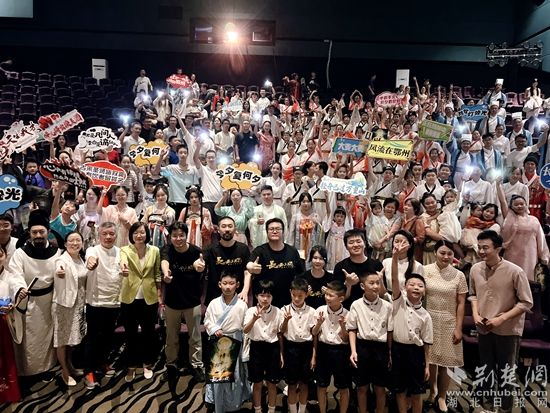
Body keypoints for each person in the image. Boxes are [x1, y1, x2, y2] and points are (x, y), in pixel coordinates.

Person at [469, 230, 533, 413]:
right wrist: (475, 315)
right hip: (483, 328)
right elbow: (473, 295)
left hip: (508, 330)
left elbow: (526, 302)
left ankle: (505, 409)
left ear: (498, 249)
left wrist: (501, 318)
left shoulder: (515, 271)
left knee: (506, 373)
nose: (481, 251)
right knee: (486, 370)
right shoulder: (475, 269)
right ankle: (488, 407)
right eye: (479, 247)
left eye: (485, 248)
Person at [9, 211, 61, 379]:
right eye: (34, 232)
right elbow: (15, 275)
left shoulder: (56, 252)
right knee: (30, 340)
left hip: (49, 301)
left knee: (47, 337)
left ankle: (47, 367)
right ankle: (29, 372)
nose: (38, 235)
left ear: (48, 232)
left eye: (41, 232)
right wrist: (20, 288)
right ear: (29, 233)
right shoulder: (21, 253)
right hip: (29, 301)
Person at [423, 240, 468, 413]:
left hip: (450, 321)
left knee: (447, 363)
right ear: (435, 252)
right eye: (442, 253)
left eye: (450, 254)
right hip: (429, 320)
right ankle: (432, 391)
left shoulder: (459, 275)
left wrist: (458, 327)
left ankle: (442, 396)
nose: (446, 256)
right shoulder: (424, 270)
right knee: (431, 360)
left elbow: (461, 303)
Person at [390, 243, 433, 413]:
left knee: (416, 392)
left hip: (416, 353)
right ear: (404, 288)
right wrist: (395, 257)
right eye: (412, 284)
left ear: (424, 291)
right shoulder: (398, 301)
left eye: (420, 286)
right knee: (400, 390)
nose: (416, 287)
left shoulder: (425, 315)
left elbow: (427, 343)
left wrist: (427, 366)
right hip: (398, 351)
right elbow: (394, 278)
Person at [161, 222, 205, 383]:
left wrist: (199, 267)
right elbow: (165, 261)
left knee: (195, 337)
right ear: (170, 237)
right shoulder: (167, 249)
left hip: (192, 302)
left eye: (181, 235)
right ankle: (171, 365)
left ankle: (196, 365)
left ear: (186, 235)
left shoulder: (196, 252)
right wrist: (166, 273)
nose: (178, 239)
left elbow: (200, 266)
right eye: (174, 236)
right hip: (172, 302)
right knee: (171, 338)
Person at [82, 222, 123, 389]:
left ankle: (102, 363)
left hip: (114, 301)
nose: (108, 237)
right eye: (104, 234)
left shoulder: (120, 252)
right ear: (99, 235)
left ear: (116, 235)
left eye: (111, 234)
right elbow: (90, 259)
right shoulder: (93, 250)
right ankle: (89, 371)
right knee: (92, 338)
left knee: (108, 336)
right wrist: (91, 262)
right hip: (95, 302)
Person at [120, 222, 161, 382]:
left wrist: (159, 294)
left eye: (142, 232)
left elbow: (157, 273)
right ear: (131, 235)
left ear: (147, 234)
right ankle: (131, 365)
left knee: (148, 333)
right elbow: (123, 262)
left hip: (149, 297)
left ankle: (147, 363)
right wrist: (123, 268)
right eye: (136, 232)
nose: (139, 235)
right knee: (130, 333)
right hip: (129, 297)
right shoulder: (125, 250)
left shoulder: (155, 250)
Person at [204, 271, 250, 412]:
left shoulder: (242, 305)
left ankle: (233, 405)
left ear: (237, 285)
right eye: (225, 283)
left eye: (231, 283)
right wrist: (215, 328)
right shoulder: (213, 303)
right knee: (219, 377)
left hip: (235, 340)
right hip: (218, 342)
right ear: (219, 284)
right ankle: (217, 404)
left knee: (235, 375)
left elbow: (246, 327)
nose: (228, 287)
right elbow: (207, 321)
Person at [347, 270, 392, 413]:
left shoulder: (387, 306)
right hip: (362, 347)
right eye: (371, 283)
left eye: (378, 283)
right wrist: (353, 351)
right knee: (362, 387)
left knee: (380, 388)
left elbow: (389, 332)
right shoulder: (356, 305)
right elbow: (352, 329)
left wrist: (390, 353)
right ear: (362, 286)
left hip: (381, 348)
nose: (375, 286)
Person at [53, 232, 87, 387]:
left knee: (71, 340)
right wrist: (59, 273)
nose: (75, 243)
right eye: (71, 240)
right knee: (62, 340)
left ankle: (70, 365)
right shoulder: (62, 260)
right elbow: (59, 270)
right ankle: (64, 371)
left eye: (78, 240)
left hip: (79, 304)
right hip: (64, 305)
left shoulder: (81, 258)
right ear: (65, 244)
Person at [496, 181, 549, 281]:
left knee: (528, 280)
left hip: (530, 254)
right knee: (511, 279)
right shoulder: (509, 217)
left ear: (526, 205)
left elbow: (541, 239)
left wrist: (544, 256)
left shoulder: (534, 220)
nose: (519, 206)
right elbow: (503, 201)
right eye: (516, 204)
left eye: (522, 204)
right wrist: (498, 185)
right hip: (512, 253)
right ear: (511, 207)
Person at [243, 280, 283, 413]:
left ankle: (271, 409)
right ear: (256, 296)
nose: (265, 299)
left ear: (272, 297)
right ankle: (257, 409)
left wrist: (281, 354)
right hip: (256, 348)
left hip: (273, 348)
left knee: (272, 383)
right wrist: (254, 319)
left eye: (268, 296)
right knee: (257, 382)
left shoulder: (277, 311)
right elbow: (245, 330)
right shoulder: (251, 311)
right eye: (262, 295)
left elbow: (280, 332)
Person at [246, 218, 304, 308]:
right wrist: (251, 267)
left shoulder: (292, 251)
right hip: (265, 300)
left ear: (283, 231)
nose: (274, 231)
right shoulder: (260, 251)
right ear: (267, 232)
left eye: (278, 229)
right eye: (271, 229)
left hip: (287, 300)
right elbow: (249, 265)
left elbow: (301, 273)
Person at [312, 280, 350, 413]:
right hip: (323, 349)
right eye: (326, 294)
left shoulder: (347, 313)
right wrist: (318, 323)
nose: (327, 297)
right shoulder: (320, 310)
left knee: (344, 386)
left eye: (331, 295)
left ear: (341, 298)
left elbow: (346, 339)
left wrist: (343, 326)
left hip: (341, 351)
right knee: (321, 385)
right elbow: (314, 333)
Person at [280, 277, 317, 413]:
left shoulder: (312, 311)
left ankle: (301, 410)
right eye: (294, 295)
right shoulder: (284, 309)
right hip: (290, 348)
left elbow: (314, 335)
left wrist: (314, 356)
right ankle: (292, 410)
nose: (296, 298)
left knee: (304, 383)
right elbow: (281, 332)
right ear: (290, 292)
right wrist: (285, 320)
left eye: (300, 296)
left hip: (306, 348)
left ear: (306, 294)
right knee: (291, 384)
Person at [200, 216, 251, 305]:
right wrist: (198, 265)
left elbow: (247, 272)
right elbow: (201, 266)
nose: (227, 229)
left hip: (238, 297)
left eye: (230, 226)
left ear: (235, 229)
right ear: (218, 230)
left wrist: (245, 291)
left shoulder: (243, 249)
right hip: (214, 297)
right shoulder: (210, 249)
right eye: (223, 226)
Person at [333, 229, 383, 308]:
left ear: (365, 244)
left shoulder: (377, 265)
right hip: (348, 310)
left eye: (358, 241)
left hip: (373, 309)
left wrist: (380, 281)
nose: (355, 245)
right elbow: (338, 299)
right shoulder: (340, 267)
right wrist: (348, 284)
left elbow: (382, 295)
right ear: (346, 247)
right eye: (351, 242)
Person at [0, 245, 21, 403]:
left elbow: (16, 297)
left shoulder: (11, 277)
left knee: (6, 357)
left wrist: (12, 305)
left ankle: (9, 392)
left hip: (5, 323)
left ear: (5, 256)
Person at [154, 145, 200, 218]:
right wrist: (161, 157)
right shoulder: (171, 169)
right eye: (181, 153)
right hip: (174, 202)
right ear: (177, 154)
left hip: (188, 202)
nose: (183, 155)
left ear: (187, 154)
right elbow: (157, 171)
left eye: (185, 153)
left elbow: (195, 186)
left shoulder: (193, 169)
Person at [381, 230, 424, 294]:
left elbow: (419, 289)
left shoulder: (417, 266)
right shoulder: (386, 262)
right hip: (388, 297)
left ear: (410, 245)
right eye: (396, 241)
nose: (399, 245)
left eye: (403, 242)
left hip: (407, 297)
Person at [286, 193, 323, 262]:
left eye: (308, 201)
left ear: (311, 203)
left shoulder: (316, 216)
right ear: (300, 203)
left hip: (312, 246)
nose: (306, 204)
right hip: (299, 246)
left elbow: (320, 235)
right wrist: (290, 248)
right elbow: (291, 234)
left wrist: (317, 223)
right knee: (300, 263)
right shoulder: (295, 217)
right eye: (303, 201)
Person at [141, 184, 176, 248]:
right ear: (155, 197)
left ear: (167, 195)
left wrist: (166, 217)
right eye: (158, 196)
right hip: (149, 238)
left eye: (163, 195)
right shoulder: (150, 209)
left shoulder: (170, 210)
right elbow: (143, 222)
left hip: (164, 239)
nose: (160, 197)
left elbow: (170, 216)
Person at [325, 207, 350, 272]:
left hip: (341, 246)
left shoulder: (345, 227)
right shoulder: (331, 224)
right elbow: (328, 212)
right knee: (331, 258)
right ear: (334, 217)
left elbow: (349, 213)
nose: (339, 218)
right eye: (337, 216)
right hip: (332, 245)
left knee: (341, 259)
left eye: (342, 217)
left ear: (344, 218)